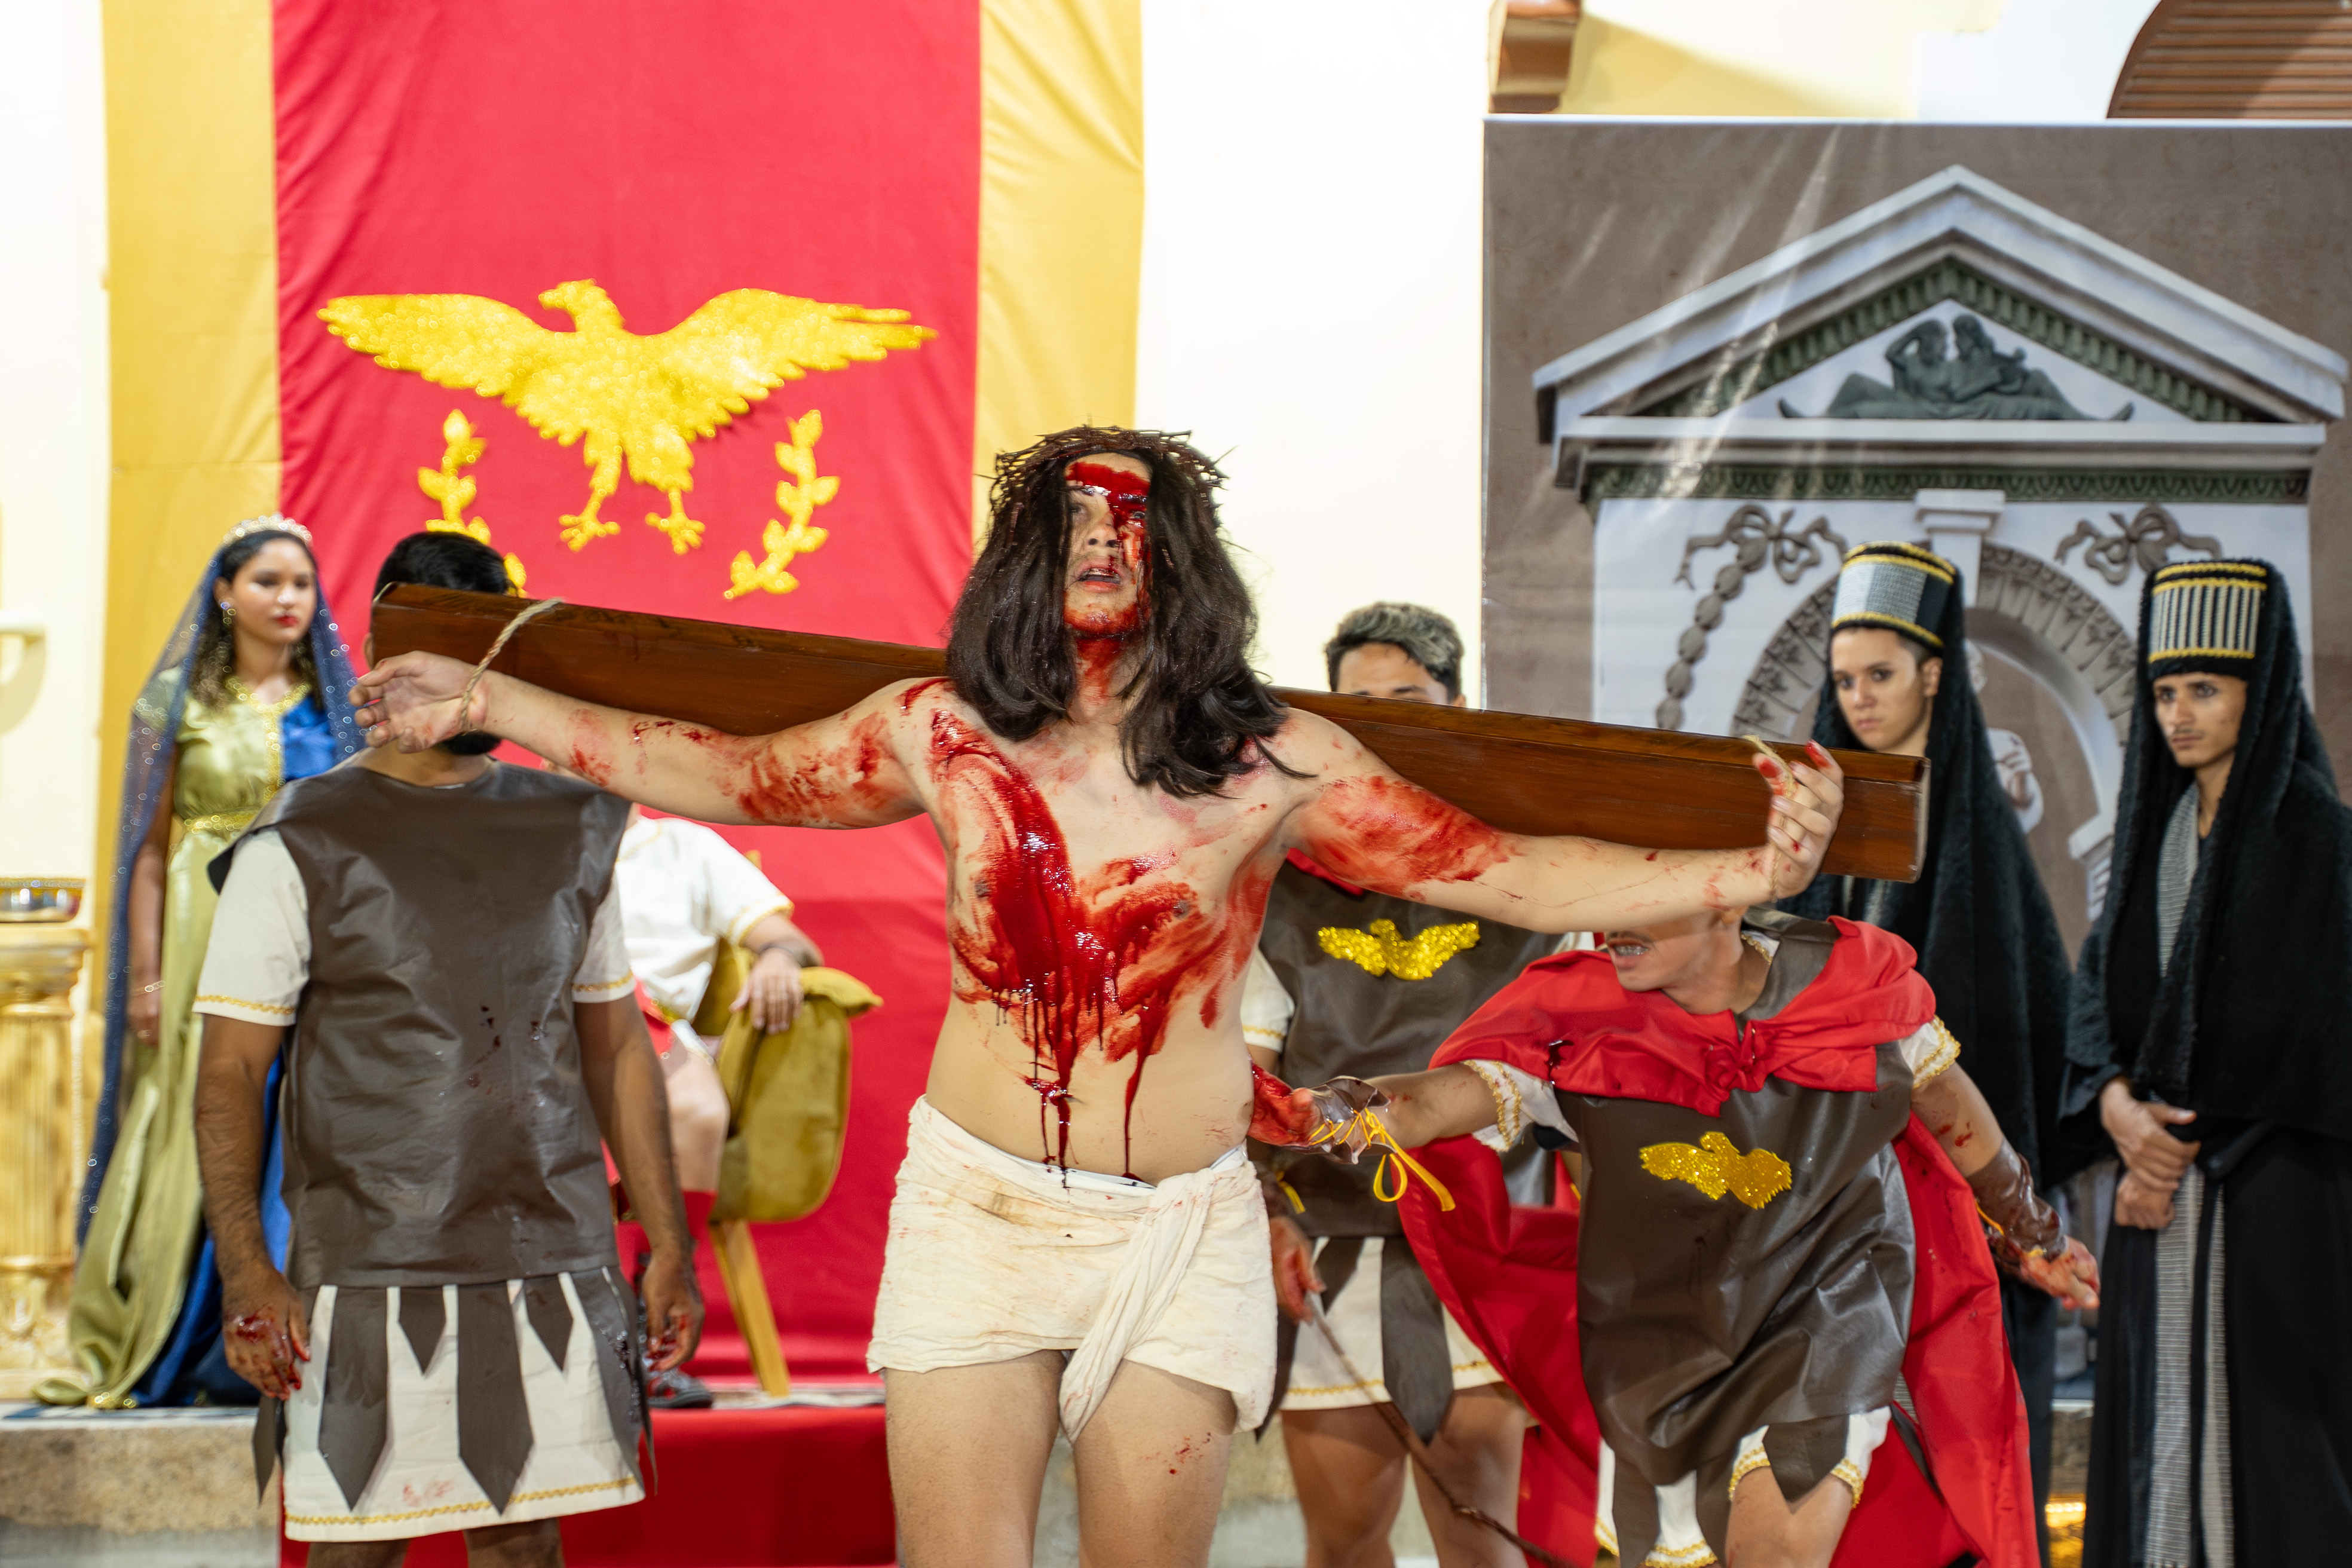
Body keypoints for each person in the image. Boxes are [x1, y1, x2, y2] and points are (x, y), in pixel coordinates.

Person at [351, 426, 1845, 1568]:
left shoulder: (1270, 761)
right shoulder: (942, 731)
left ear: (1182, 562)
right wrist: (495, 702)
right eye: (1070, 521)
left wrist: (1745, 867)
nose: (1100, 543)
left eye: (1129, 521)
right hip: (978, 1214)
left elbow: (1504, 869)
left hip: (1181, 1225)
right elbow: (726, 771)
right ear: (1023, 554)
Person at [1293, 904, 2099, 1568]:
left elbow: (1952, 1111)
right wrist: (1342, 1108)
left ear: (1726, 898)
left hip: (1824, 1322)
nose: (1617, 920)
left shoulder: (1849, 993)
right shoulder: (1575, 1020)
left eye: (1648, 896)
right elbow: (1435, 1101)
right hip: (1659, 1351)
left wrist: (2036, 1231)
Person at [191, 533, 702, 1565]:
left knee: (527, 1546)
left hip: (552, 1253)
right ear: (390, 657)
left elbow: (615, 1047)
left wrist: (668, 1245)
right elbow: (230, 1071)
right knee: (357, 1548)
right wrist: (248, 1268)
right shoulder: (300, 836)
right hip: (367, 1264)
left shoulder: (574, 823)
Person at [1780, 540, 2076, 1554]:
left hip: (1948, 1209)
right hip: (1821, 1213)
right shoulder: (1810, 836)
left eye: (1882, 674)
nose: (1859, 699)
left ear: (1935, 675)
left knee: (1954, 1487)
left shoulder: (1980, 851)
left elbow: (2018, 1044)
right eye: (1843, 680)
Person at [1245, 602, 1552, 1568]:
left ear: (1457, 706)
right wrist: (1263, 1213)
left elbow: (1586, 1084)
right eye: (1361, 705)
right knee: (1342, 1547)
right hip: (1327, 1246)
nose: (1385, 724)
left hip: (1484, 1249)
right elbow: (1240, 1083)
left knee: (1484, 1544)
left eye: (1408, 701)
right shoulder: (1276, 883)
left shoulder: (1536, 873)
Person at [2065, 559, 2352, 1568]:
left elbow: (2313, 1029)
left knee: (2280, 1444)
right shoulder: (2152, 840)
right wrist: (2117, 1111)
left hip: (2275, 1194)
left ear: (2257, 690)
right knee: (2155, 1425)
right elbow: (2094, 996)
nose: (2178, 715)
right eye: (2163, 692)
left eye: (2204, 689)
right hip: (2156, 1195)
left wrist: (2173, 1150)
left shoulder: (2322, 842)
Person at [40, 516, 363, 1408]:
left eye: (301, 583)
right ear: (225, 592)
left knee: (303, 1105)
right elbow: (146, 853)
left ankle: (307, 1332)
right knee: (204, 1103)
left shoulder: (334, 704)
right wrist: (145, 977)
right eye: (267, 581)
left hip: (312, 921)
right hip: (200, 925)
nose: (288, 598)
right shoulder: (175, 701)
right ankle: (175, 1333)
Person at [607, 792, 823, 1407]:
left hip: (653, 1026)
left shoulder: (685, 847)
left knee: (697, 1109)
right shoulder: (525, 835)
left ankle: (651, 1324)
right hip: (543, 1023)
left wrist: (776, 960)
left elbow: (789, 939)